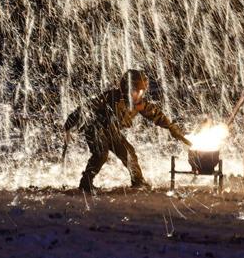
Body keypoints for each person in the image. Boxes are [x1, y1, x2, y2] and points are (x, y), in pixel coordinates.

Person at [64, 69, 192, 193]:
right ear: (127, 89)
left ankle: (138, 181)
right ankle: (85, 184)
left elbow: (156, 115)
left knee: (129, 154)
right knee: (100, 154)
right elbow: (86, 108)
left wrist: (173, 129)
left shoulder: (138, 104)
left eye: (142, 92)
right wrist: (68, 127)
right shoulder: (110, 97)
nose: (140, 95)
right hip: (95, 129)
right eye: (136, 91)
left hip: (112, 131)